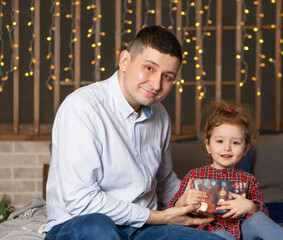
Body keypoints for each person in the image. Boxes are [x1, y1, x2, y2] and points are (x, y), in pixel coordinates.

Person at [44, 26, 224, 240]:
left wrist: (186, 199)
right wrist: (159, 217)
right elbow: (80, 200)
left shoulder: (161, 116)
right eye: (149, 68)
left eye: (167, 76)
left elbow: (164, 181)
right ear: (125, 61)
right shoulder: (83, 107)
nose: (156, 84)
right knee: (98, 229)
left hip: (143, 229)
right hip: (83, 223)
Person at [167, 100, 283, 240]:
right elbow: (171, 211)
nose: (227, 148)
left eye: (235, 143)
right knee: (222, 235)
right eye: (220, 141)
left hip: (243, 232)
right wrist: (183, 201)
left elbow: (262, 212)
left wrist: (250, 206)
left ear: (245, 149)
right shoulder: (195, 176)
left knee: (258, 219)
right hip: (209, 232)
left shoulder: (248, 180)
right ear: (208, 145)